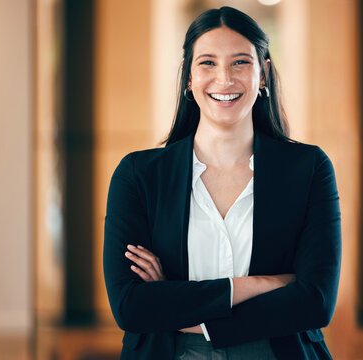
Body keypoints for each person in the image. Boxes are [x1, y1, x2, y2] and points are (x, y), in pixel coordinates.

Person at [103, 6, 341, 360]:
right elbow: (130, 306)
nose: (225, 79)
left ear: (263, 74)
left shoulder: (308, 169)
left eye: (241, 62)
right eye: (208, 63)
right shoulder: (138, 175)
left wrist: (176, 302)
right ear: (189, 76)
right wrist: (261, 285)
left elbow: (316, 302)